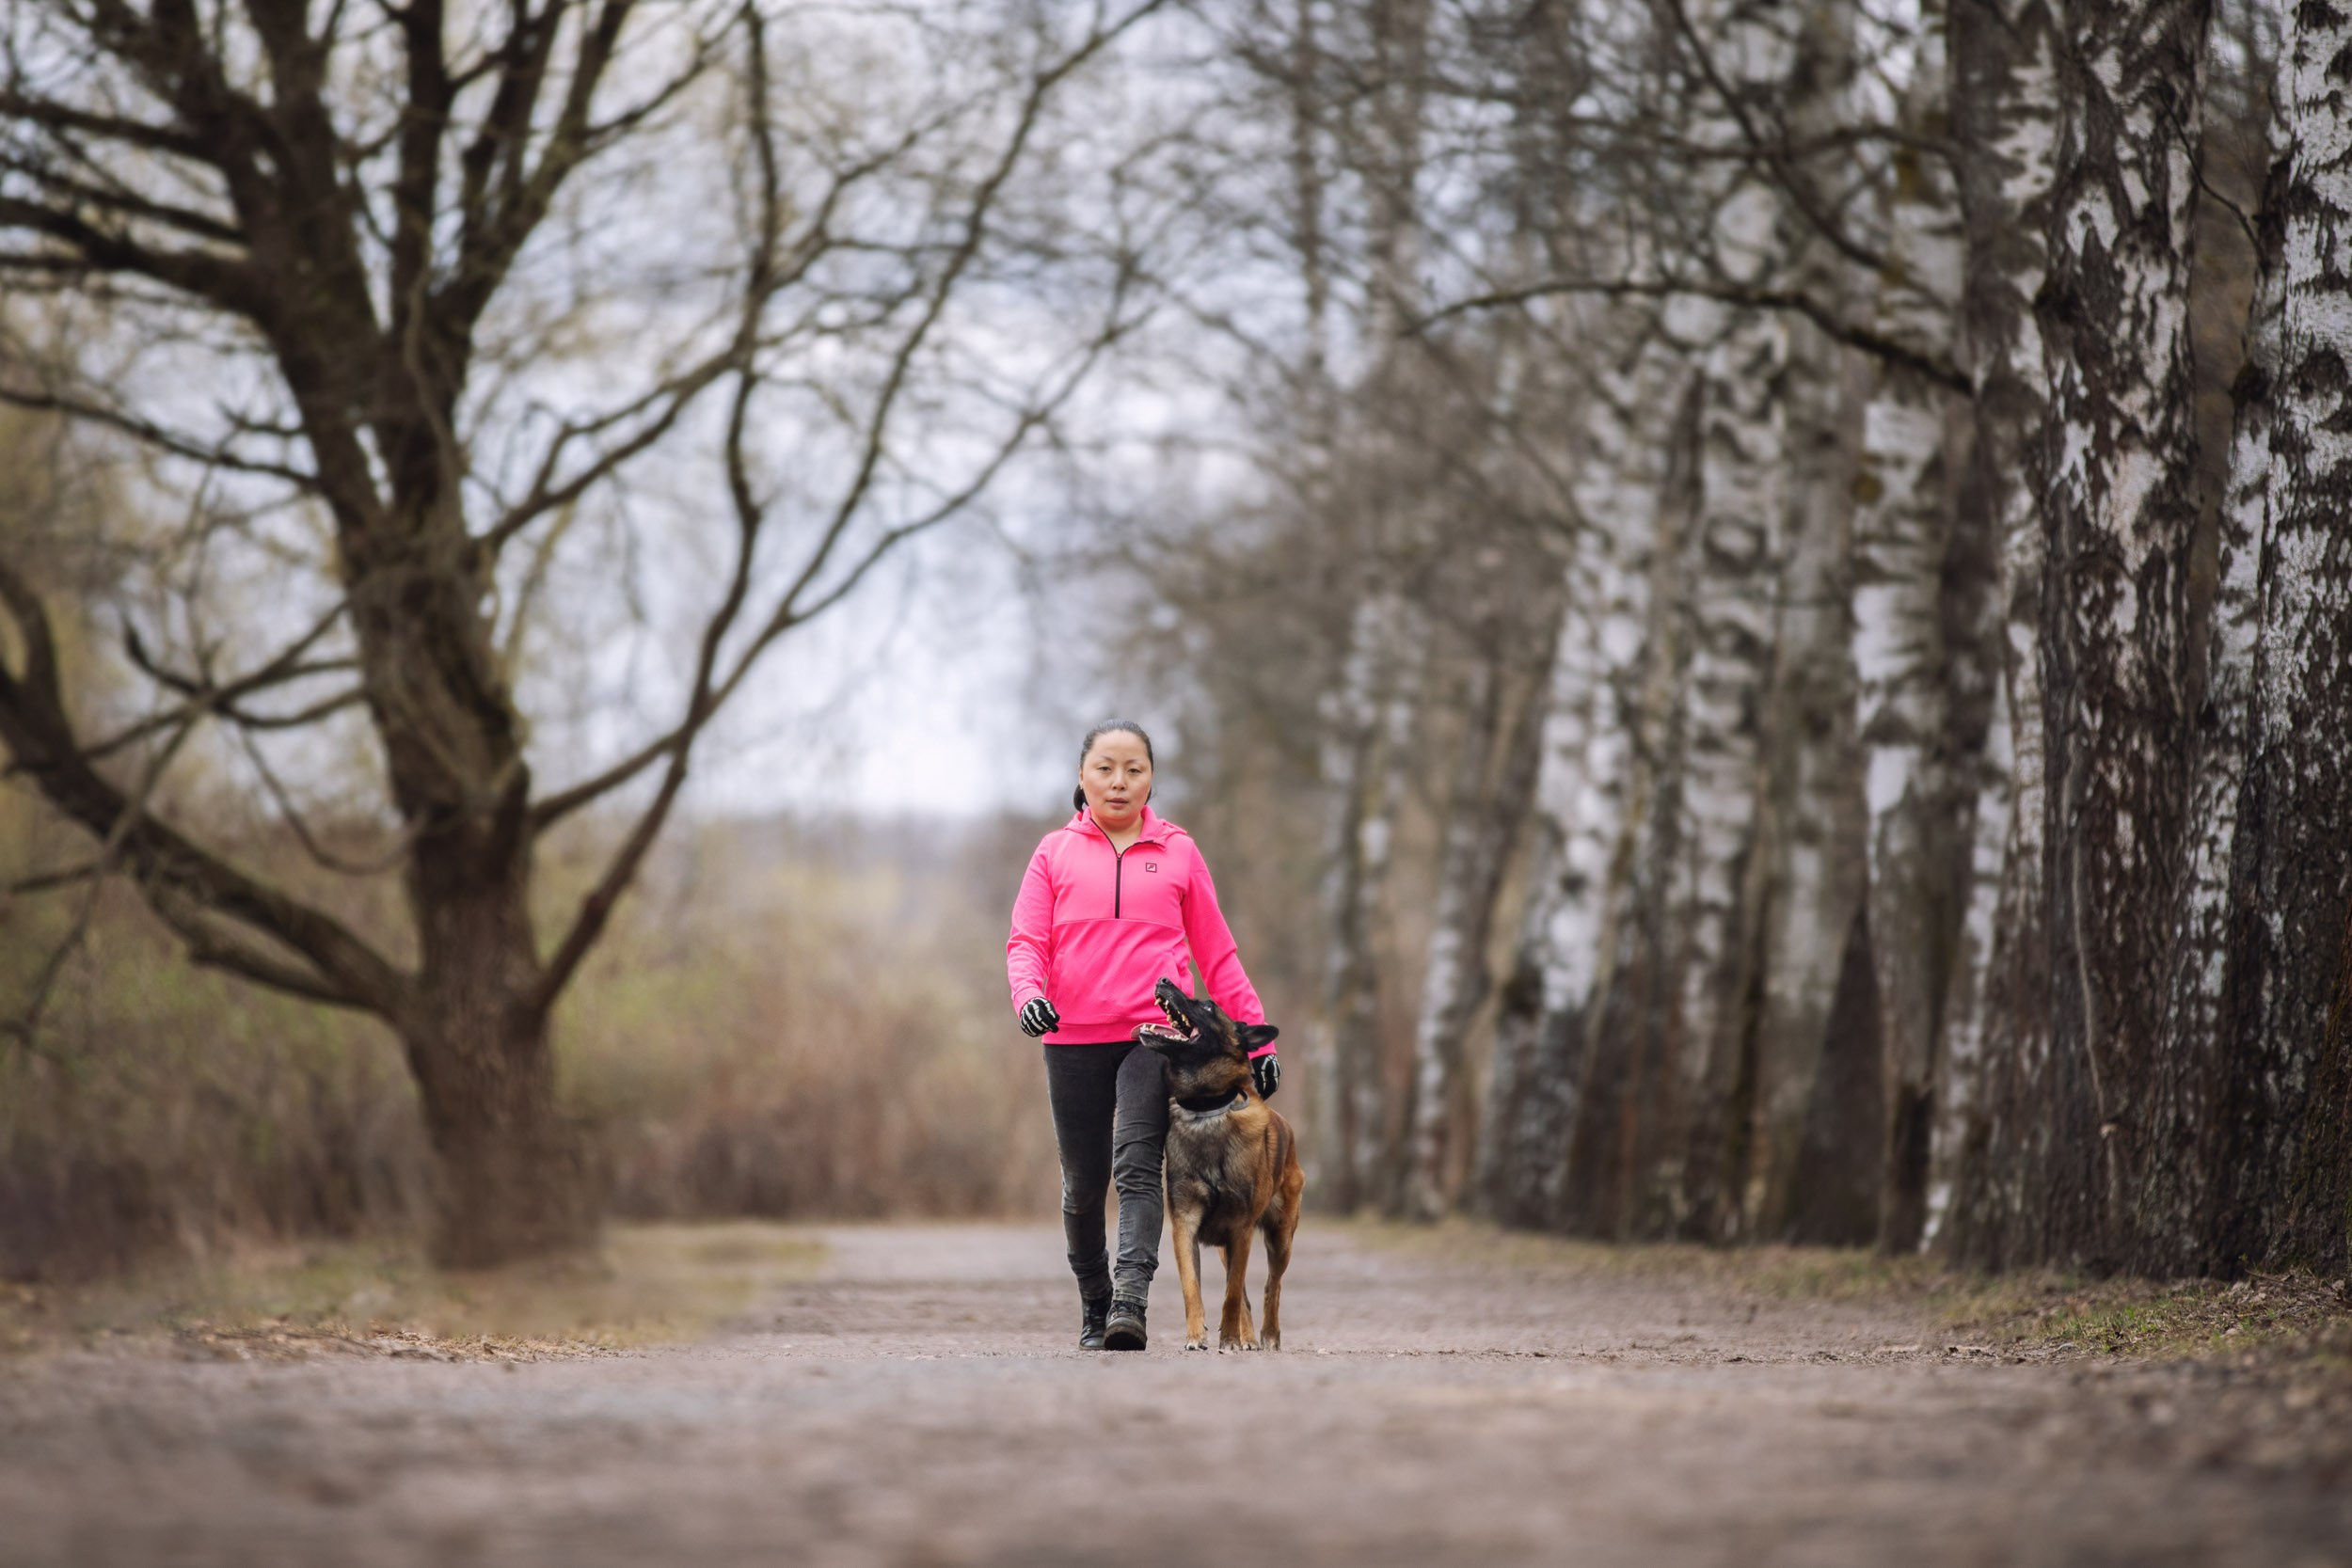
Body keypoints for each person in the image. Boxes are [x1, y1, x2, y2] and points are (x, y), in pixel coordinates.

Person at [1006, 720, 1279, 1352]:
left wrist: (1258, 1046)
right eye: (1105, 767)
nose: (1119, 781)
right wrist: (1031, 997)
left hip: (1152, 1038)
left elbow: (1219, 955)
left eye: (1134, 768)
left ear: (1151, 777)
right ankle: (1096, 1300)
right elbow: (1027, 942)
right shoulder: (1053, 852)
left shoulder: (1178, 849)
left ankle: (1130, 1299)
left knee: (1137, 1166)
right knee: (1082, 1182)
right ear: (1082, 776)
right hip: (1071, 1037)